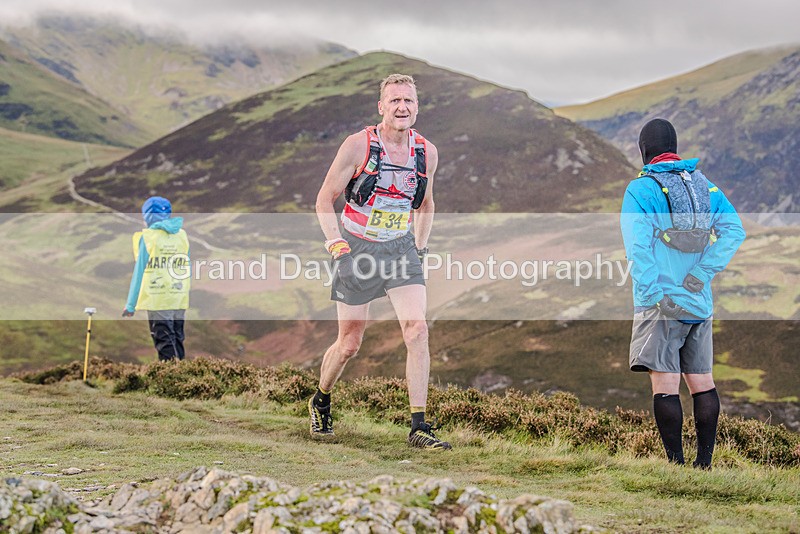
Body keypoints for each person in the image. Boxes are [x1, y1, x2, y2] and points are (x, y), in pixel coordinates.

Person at [310, 73, 450, 450]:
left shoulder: (427, 152)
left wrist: (419, 248)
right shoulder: (358, 145)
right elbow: (324, 199)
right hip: (356, 249)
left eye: (409, 101)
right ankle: (321, 400)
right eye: (395, 101)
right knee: (349, 344)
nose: (402, 107)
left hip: (400, 248)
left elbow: (426, 204)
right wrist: (336, 245)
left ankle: (418, 426)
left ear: (417, 107)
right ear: (381, 107)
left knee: (417, 330)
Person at [621, 118, 745, 468]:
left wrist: (653, 297)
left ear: (645, 149)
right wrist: (702, 273)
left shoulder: (640, 190)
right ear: (674, 146)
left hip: (661, 302)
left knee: (665, 385)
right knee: (702, 383)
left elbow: (638, 250)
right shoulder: (706, 187)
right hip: (699, 302)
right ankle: (704, 464)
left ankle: (676, 465)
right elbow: (735, 230)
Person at [122, 196, 190, 362]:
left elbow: (139, 272)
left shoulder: (148, 238)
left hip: (158, 297)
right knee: (177, 338)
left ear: (148, 216)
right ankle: (184, 374)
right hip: (178, 297)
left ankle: (171, 376)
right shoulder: (182, 236)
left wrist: (130, 305)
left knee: (164, 340)